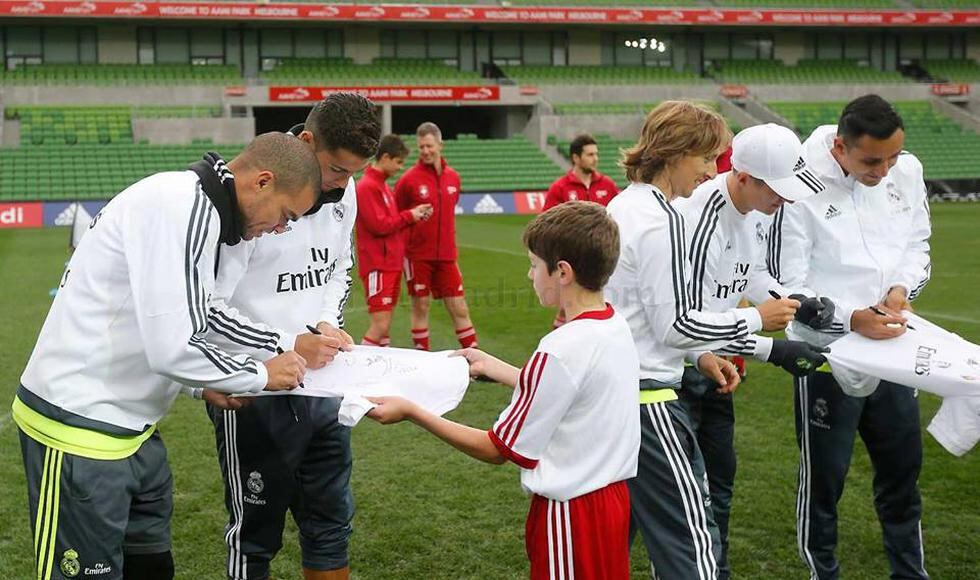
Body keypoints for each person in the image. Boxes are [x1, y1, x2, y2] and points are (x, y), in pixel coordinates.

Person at [13, 132, 315, 580]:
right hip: (79, 426)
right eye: (286, 216)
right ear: (263, 182)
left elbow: (199, 312)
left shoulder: (209, 215)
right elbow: (174, 347)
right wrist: (260, 374)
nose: (280, 229)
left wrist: (215, 376)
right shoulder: (182, 205)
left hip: (134, 429)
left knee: (152, 566)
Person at [366, 201, 640, 579]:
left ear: (562, 272)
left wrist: (413, 410)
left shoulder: (560, 347)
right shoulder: (614, 325)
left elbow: (497, 449)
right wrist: (500, 369)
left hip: (570, 513)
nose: (529, 276)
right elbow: (575, 393)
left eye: (532, 264)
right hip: (613, 502)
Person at [605, 101, 805, 579]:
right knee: (691, 542)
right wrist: (758, 324)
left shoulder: (629, 206)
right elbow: (675, 324)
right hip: (650, 397)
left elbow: (651, 316)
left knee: (627, 529)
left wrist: (700, 357)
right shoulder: (661, 219)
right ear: (676, 152)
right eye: (707, 159)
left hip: (627, 389)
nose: (712, 171)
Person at [200, 93, 382, 580]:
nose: (344, 185)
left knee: (330, 524)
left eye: (354, 174)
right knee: (254, 534)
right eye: (338, 171)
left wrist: (326, 321)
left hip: (325, 385)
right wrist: (283, 343)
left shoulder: (347, 192)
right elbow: (211, 308)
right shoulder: (249, 200)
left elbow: (338, 268)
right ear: (305, 142)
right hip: (255, 387)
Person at [768, 94, 931, 580]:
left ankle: (910, 573)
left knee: (903, 476)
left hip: (894, 350)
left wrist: (903, 287)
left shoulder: (907, 170)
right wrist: (851, 318)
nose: (884, 170)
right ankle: (824, 573)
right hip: (826, 356)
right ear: (840, 147)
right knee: (825, 483)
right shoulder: (798, 185)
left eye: (893, 157)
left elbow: (918, 243)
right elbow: (786, 281)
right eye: (871, 160)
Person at [672, 123, 833, 580]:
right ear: (742, 176)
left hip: (721, 368)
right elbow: (688, 324)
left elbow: (753, 273)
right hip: (682, 375)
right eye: (777, 189)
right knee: (680, 494)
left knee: (719, 485)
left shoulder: (758, 211)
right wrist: (772, 350)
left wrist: (792, 299)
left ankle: (713, 570)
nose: (784, 200)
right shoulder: (698, 221)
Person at [395, 122, 478, 351]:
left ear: (440, 145)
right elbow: (396, 215)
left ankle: (476, 361)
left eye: (429, 146)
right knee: (421, 306)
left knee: (459, 308)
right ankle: (423, 359)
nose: (425, 151)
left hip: (447, 255)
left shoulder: (454, 178)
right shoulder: (408, 180)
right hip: (417, 256)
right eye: (421, 147)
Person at [355, 134, 432, 347]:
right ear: (386, 157)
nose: (400, 167)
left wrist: (413, 216)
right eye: (398, 162)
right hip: (378, 264)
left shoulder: (383, 186)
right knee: (380, 325)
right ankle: (358, 368)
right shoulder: (367, 186)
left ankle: (379, 372)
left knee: (385, 326)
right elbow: (379, 226)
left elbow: (392, 225)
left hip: (390, 263)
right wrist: (410, 216)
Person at [543, 133, 620, 328]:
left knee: (602, 304)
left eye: (596, 154)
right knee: (571, 306)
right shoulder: (560, 188)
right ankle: (561, 340)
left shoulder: (607, 185)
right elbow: (547, 224)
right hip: (573, 257)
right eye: (590, 154)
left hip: (602, 255)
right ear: (576, 158)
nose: (595, 158)